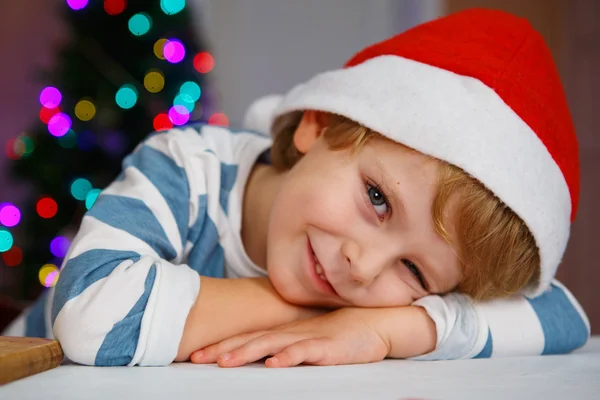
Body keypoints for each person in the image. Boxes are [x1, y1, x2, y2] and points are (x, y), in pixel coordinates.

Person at [3, 8, 590, 367]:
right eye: (378, 200)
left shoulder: (373, 305)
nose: (362, 268)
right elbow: (88, 314)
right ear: (318, 124)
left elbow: (561, 315)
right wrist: (299, 312)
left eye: (414, 273)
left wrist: (385, 329)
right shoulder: (187, 169)